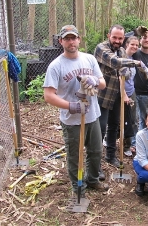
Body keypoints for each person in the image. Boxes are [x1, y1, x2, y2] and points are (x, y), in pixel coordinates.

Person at [43, 25, 108, 195]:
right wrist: (72, 106)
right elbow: (49, 95)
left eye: (74, 38)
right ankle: (78, 187)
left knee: (95, 151)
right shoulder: (56, 66)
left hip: (92, 116)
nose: (71, 42)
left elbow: (102, 83)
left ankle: (93, 180)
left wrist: (94, 80)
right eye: (67, 39)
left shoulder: (89, 59)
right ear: (61, 41)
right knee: (75, 155)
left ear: (79, 39)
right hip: (72, 121)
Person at [94, 24, 141, 167]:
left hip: (116, 95)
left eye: (120, 38)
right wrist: (136, 63)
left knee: (114, 125)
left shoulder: (121, 50)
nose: (117, 40)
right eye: (114, 37)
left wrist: (126, 72)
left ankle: (110, 155)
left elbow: (124, 71)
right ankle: (96, 161)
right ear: (109, 36)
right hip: (102, 95)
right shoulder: (101, 48)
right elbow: (115, 62)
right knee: (100, 127)